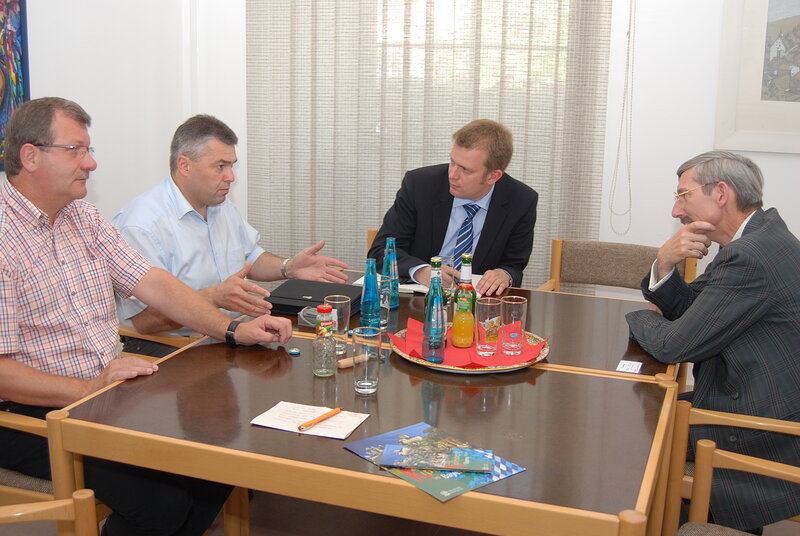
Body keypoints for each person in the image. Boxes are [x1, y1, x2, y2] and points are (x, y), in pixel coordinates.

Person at [0, 97, 293, 535]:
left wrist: (233, 329)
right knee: (161, 504)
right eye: (77, 150)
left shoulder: (81, 216)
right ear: (31, 156)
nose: (92, 163)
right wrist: (87, 389)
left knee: (216, 467)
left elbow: (153, 282)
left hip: (108, 391)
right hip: (33, 411)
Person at [625, 151, 800, 532]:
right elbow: (694, 308)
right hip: (762, 400)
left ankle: (680, 519)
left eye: (682, 196)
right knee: (651, 413)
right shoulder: (759, 236)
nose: (676, 210)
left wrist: (639, 316)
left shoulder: (751, 255)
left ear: (721, 193)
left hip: (765, 429)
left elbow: (675, 345)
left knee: (640, 436)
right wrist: (664, 264)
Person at [113, 114, 348, 355]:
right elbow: (143, 321)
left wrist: (288, 267)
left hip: (231, 332)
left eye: (232, 165)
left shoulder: (219, 203)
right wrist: (213, 298)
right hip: (175, 346)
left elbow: (250, 256)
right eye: (220, 166)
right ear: (185, 165)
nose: (231, 177)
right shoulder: (141, 225)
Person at [368, 119, 538, 296]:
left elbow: (514, 264)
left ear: (493, 176)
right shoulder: (420, 185)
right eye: (452, 162)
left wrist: (504, 274)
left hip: (476, 303)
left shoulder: (521, 201)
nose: (452, 174)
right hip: (418, 297)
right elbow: (382, 250)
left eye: (465, 170)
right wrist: (421, 271)